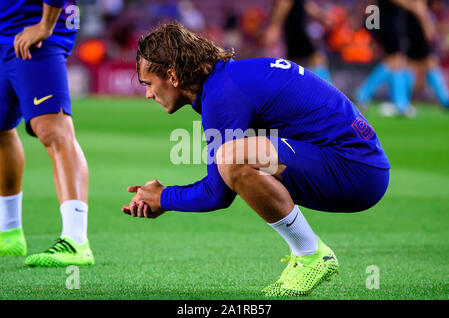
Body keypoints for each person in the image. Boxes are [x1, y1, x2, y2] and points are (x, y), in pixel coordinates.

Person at [123, 23, 390, 296]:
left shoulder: (222, 93)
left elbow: (217, 194)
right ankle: (307, 254)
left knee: (232, 157)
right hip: (358, 165)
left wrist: (163, 197)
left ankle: (311, 255)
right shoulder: (228, 80)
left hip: (356, 170)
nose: (147, 94)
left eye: (148, 84)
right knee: (236, 157)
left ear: (172, 75)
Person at [0, 0, 94, 267]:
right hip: (4, 28)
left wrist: (45, 25)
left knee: (53, 130)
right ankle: (9, 233)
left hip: (37, 27)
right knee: (2, 128)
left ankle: (76, 240)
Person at [264, 0, 332, 83]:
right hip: (295, 27)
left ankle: (293, 88)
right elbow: (284, 3)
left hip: (296, 26)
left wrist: (322, 17)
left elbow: (306, 5)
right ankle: (324, 89)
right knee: (316, 59)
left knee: (295, 63)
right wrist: (274, 27)